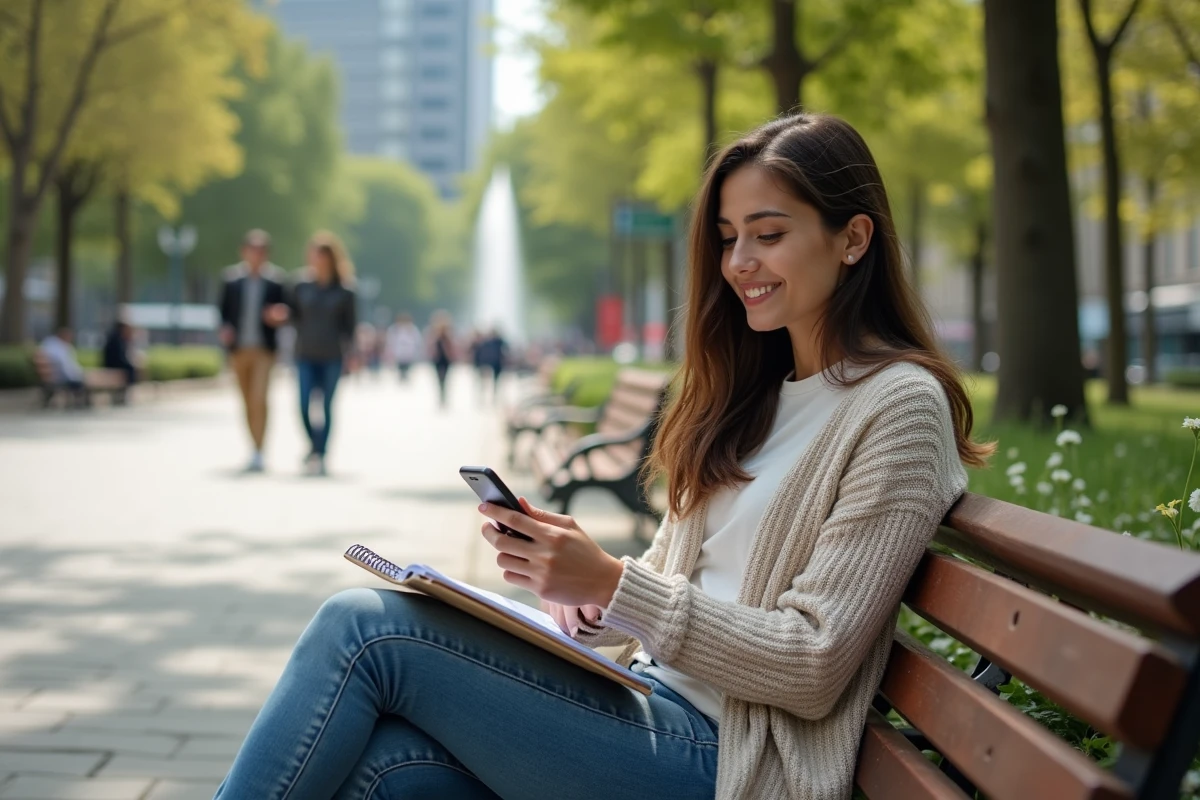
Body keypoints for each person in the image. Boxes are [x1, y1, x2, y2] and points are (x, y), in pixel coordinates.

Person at [214, 113, 992, 800]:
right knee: (381, 766)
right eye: (728, 238)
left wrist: (616, 586)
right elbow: (671, 584)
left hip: (730, 762)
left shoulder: (898, 408)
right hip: (649, 704)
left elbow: (814, 663)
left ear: (853, 238)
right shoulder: (755, 392)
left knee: (366, 629)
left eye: (769, 234)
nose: (738, 262)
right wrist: (582, 603)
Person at [217, 229, 289, 473]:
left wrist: (279, 316)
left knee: (260, 398)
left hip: (264, 350)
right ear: (244, 252)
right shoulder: (231, 280)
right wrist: (225, 330)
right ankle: (253, 446)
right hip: (239, 350)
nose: (257, 255)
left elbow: (286, 311)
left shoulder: (276, 280)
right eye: (253, 250)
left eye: (261, 250)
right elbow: (223, 313)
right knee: (247, 400)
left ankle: (260, 449)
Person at [289, 231, 357, 477]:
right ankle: (314, 445)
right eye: (313, 254)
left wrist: (353, 355)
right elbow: (292, 315)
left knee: (326, 406)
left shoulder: (345, 290)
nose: (316, 259)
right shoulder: (300, 285)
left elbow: (350, 327)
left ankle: (322, 452)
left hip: (332, 356)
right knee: (303, 404)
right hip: (304, 354)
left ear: (330, 257)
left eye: (321, 255)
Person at [38, 327, 87, 405]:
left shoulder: (48, 344)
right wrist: (80, 375)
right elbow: (66, 368)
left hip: (53, 377)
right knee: (81, 382)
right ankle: (81, 403)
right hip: (60, 378)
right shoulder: (60, 347)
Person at [427, 311, 455, 409]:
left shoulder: (448, 336)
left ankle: (443, 396)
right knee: (439, 379)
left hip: (445, 360)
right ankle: (441, 396)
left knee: (445, 379)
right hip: (438, 360)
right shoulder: (435, 335)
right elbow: (431, 347)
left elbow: (451, 348)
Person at [385, 312, 423, 383]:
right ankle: (402, 375)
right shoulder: (394, 329)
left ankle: (405, 375)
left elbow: (417, 340)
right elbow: (391, 341)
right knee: (400, 365)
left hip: (409, 352)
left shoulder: (412, 329)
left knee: (407, 365)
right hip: (399, 352)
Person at [102, 320, 139, 387]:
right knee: (131, 368)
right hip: (112, 364)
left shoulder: (116, 337)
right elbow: (119, 356)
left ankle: (128, 386)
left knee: (131, 367)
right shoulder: (116, 339)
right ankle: (129, 386)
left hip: (112, 363)